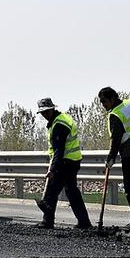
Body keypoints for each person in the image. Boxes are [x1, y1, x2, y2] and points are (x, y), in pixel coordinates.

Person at [35, 98, 92, 229]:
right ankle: (84, 222)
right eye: (42, 113)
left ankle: (47, 221)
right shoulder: (60, 119)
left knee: (51, 191)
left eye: (46, 112)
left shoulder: (59, 124)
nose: (44, 115)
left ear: (52, 109)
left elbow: (59, 150)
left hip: (65, 162)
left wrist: (53, 169)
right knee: (72, 192)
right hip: (73, 160)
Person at [98, 87, 130, 230]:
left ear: (112, 98)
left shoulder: (115, 115)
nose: (104, 106)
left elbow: (115, 140)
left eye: (104, 102)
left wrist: (110, 159)